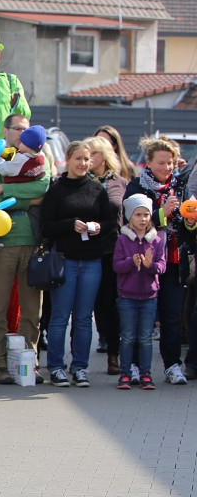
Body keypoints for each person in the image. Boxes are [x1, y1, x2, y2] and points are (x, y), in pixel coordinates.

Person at [40, 141, 117, 387]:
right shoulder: (57, 189)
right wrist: (69, 224)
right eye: (79, 159)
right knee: (60, 316)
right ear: (68, 160)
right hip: (65, 260)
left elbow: (110, 223)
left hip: (92, 261)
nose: (84, 163)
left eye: (87, 159)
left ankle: (80, 367)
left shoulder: (97, 189)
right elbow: (46, 226)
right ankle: (55, 367)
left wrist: (98, 228)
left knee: (84, 318)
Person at [0, 116, 49, 385]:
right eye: (17, 129)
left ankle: (28, 363)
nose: (21, 135)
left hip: (33, 243)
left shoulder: (39, 158)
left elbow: (43, 187)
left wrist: (7, 190)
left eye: (25, 129)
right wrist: (25, 198)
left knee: (32, 310)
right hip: (3, 243)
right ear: (6, 132)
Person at [124, 136, 196, 385]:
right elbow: (130, 222)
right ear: (149, 163)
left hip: (173, 260)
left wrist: (189, 221)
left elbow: (187, 229)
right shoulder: (137, 187)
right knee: (141, 316)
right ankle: (134, 366)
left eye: (170, 163)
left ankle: (172, 365)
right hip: (145, 262)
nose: (167, 168)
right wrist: (160, 214)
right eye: (161, 163)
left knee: (171, 315)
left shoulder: (181, 187)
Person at [113, 194, 165, 390]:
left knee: (145, 338)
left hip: (149, 297)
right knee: (127, 337)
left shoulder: (156, 240)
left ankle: (146, 374)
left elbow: (162, 266)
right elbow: (117, 266)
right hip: (127, 296)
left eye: (146, 215)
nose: (142, 219)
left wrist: (150, 266)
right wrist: (130, 262)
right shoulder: (122, 240)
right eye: (138, 215)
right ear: (129, 217)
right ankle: (125, 374)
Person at [87, 135, 128, 375]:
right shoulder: (81, 181)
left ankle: (114, 354)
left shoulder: (119, 181)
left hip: (113, 249)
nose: (90, 159)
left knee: (112, 304)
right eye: (86, 154)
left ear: (105, 156)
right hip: (86, 250)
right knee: (90, 306)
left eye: (94, 154)